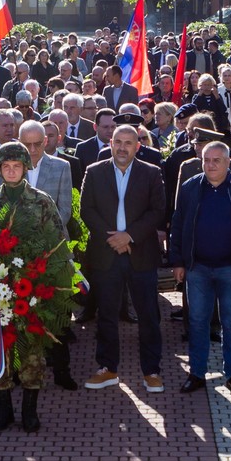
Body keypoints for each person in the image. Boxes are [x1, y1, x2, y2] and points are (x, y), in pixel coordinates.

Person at [0, 142, 69, 432]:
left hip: (31, 290)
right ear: (0, 169)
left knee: (32, 352)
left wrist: (52, 278)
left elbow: (58, 243)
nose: (11, 171)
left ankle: (29, 410)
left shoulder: (41, 201)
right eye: (6, 167)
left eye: (17, 166)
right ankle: (3, 409)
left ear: (26, 168)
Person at [170, 141, 231, 395]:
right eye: (207, 160)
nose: (211, 165)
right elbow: (178, 226)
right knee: (197, 321)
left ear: (228, 163)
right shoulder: (190, 188)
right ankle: (197, 373)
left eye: (217, 160)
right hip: (198, 268)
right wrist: (178, 261)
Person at [80, 125, 166, 393]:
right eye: (118, 141)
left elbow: (158, 211)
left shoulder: (151, 173)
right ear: (110, 142)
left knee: (148, 315)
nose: (122, 147)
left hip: (140, 253)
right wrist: (113, 240)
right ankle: (107, 369)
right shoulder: (94, 172)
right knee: (106, 314)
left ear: (137, 146)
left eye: (128, 143)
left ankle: (151, 371)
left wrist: (129, 236)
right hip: (106, 254)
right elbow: (86, 210)